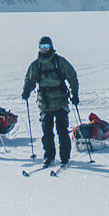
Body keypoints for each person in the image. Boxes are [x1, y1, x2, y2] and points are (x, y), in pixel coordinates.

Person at [21, 36, 79, 167]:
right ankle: (49, 157)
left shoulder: (60, 62)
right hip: (45, 104)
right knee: (47, 133)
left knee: (62, 131)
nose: (44, 50)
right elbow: (29, 80)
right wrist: (26, 91)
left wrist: (75, 93)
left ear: (51, 47)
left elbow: (72, 76)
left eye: (46, 47)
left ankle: (64, 157)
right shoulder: (36, 65)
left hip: (60, 102)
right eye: (42, 47)